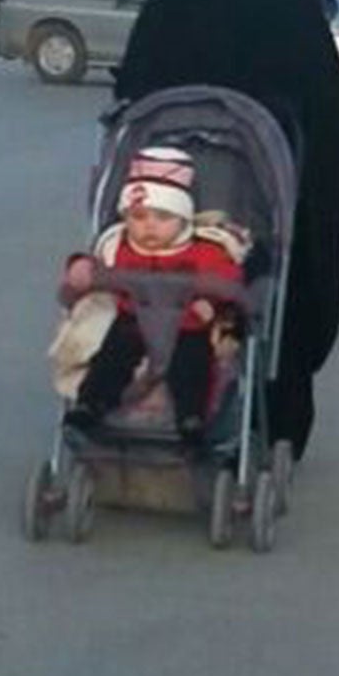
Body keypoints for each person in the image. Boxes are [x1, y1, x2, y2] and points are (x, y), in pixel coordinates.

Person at [113, 0, 339, 461]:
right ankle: (275, 423)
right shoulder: (292, 7)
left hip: (164, 198)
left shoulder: (172, 1)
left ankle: (127, 400)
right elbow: (326, 110)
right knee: (283, 281)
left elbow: (131, 92)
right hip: (261, 193)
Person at [53, 147, 249, 450]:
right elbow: (95, 266)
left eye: (162, 217)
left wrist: (211, 300)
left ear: (183, 220)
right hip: (134, 317)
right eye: (139, 217)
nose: (149, 226)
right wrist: (81, 269)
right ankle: (91, 404)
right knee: (112, 356)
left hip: (186, 323)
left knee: (192, 363)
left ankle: (191, 417)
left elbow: (228, 279)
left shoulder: (203, 250)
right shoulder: (119, 245)